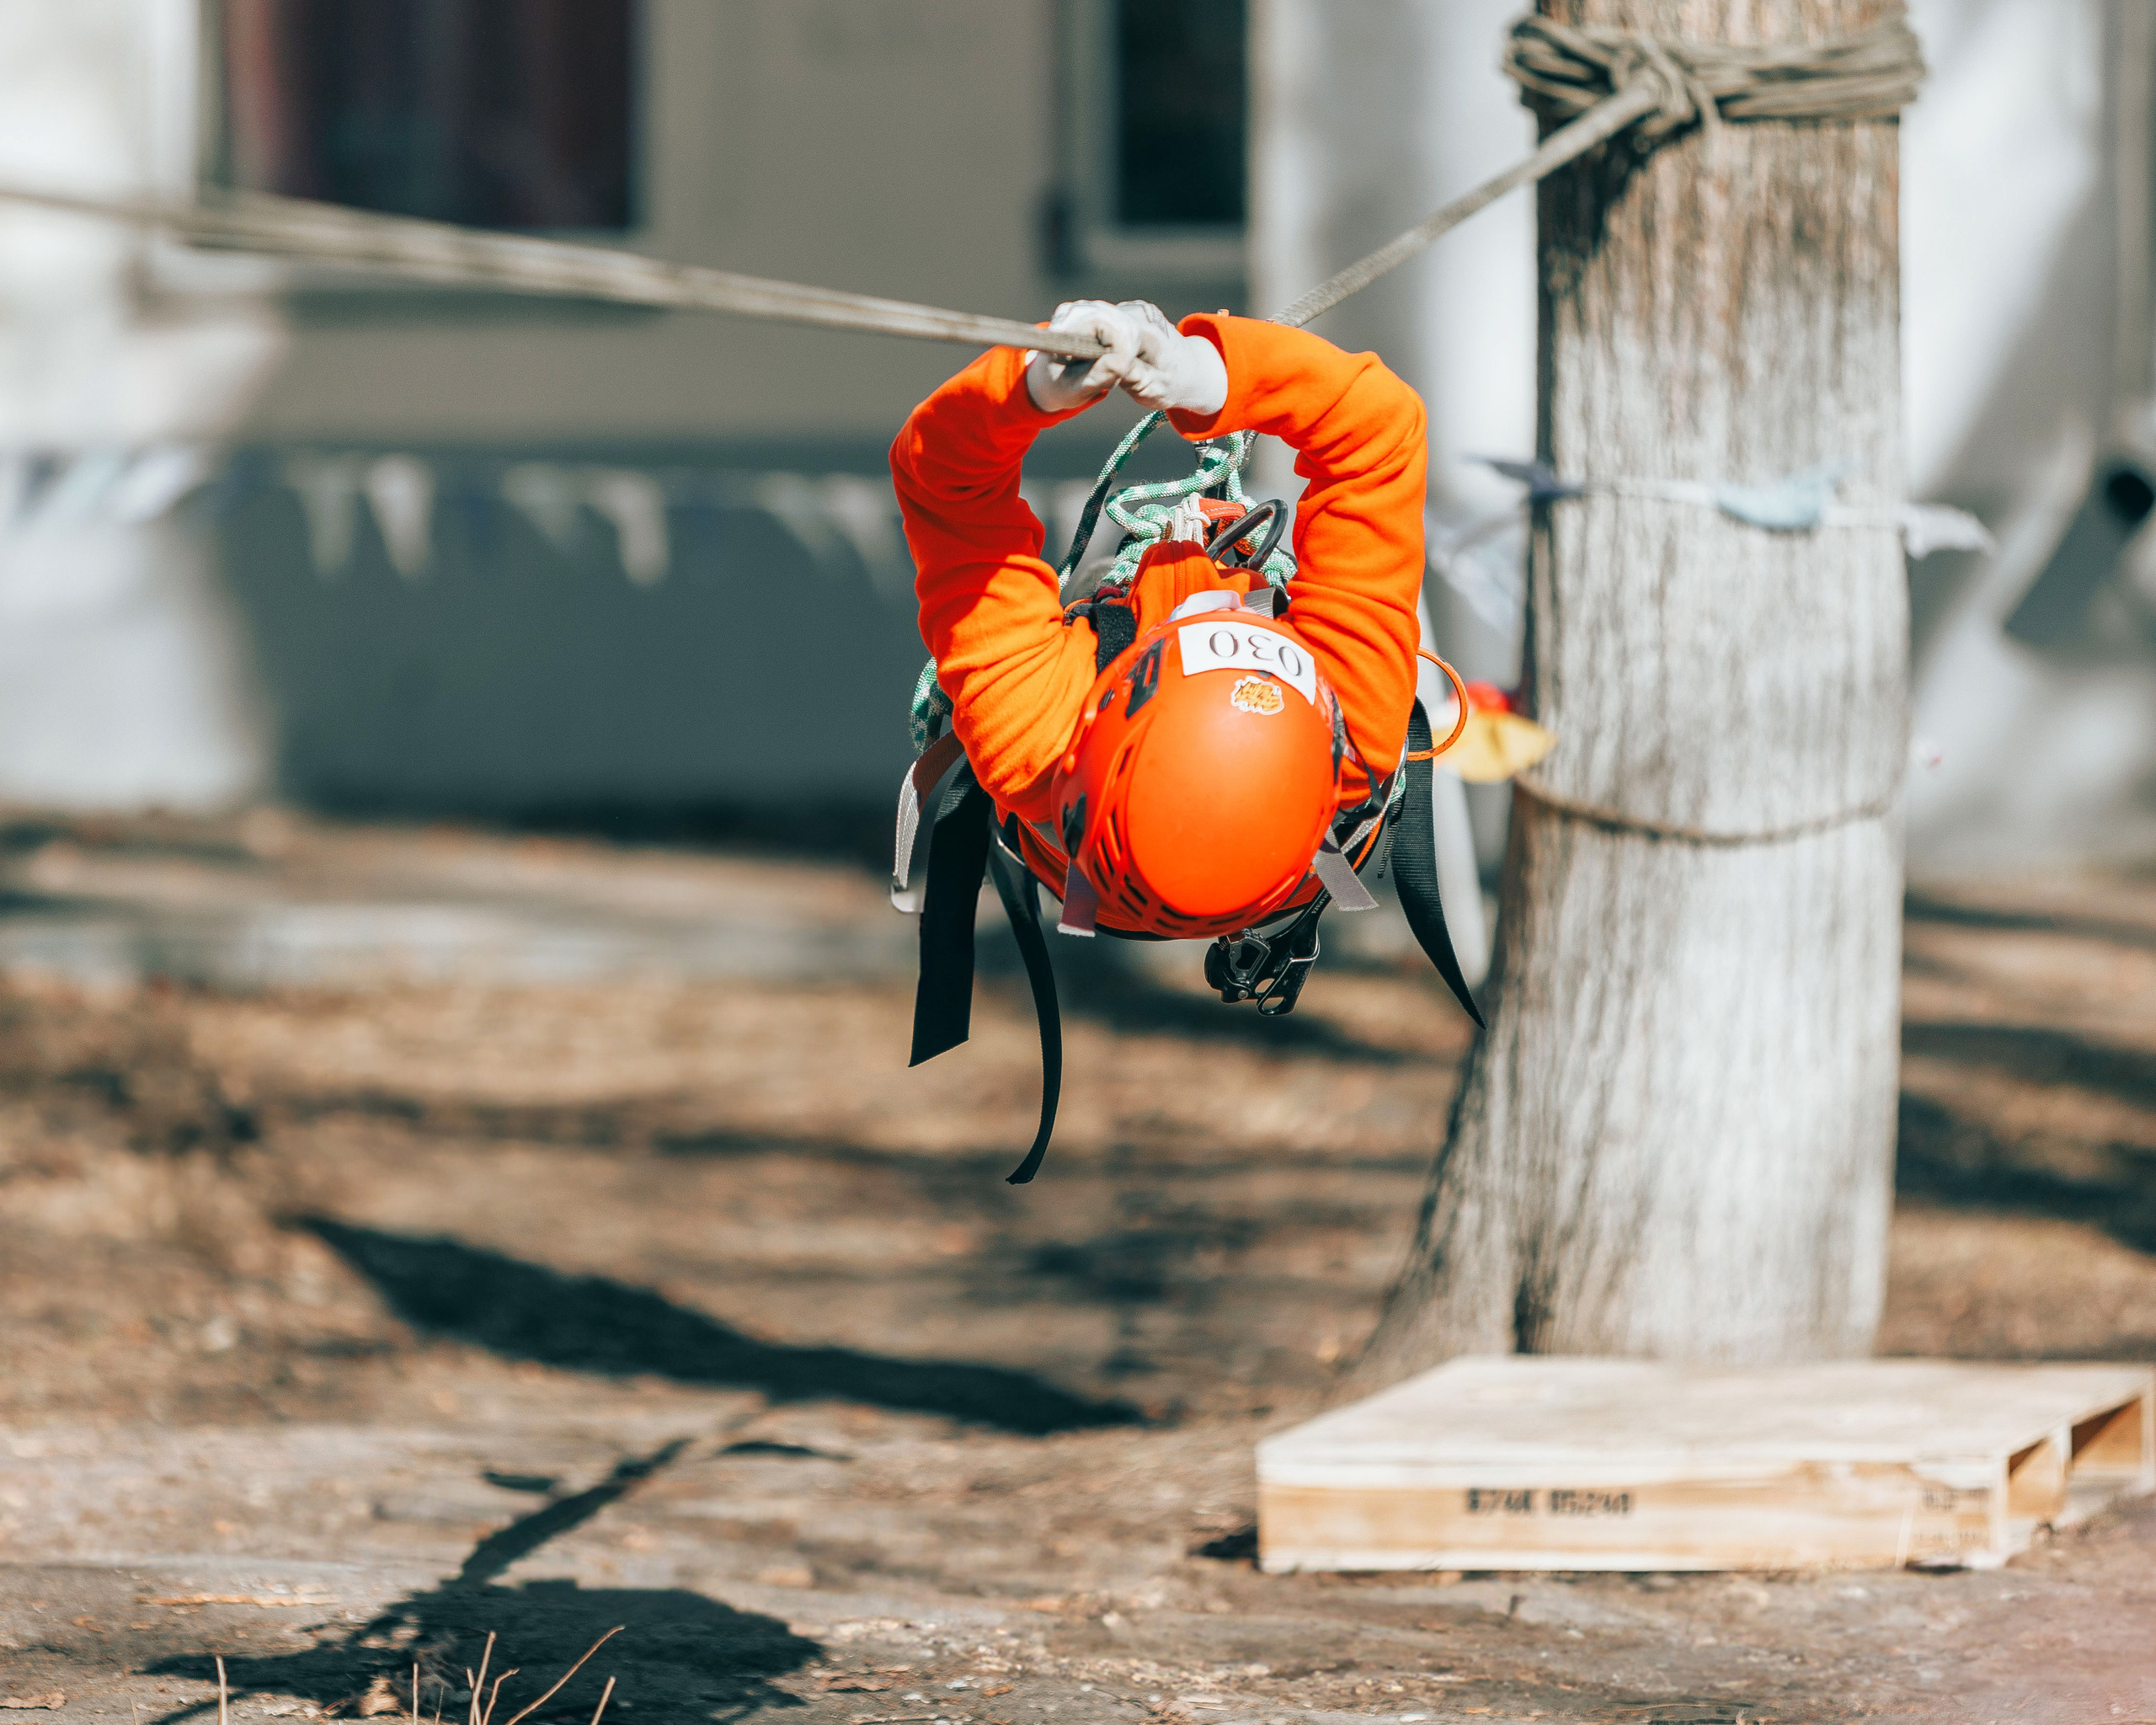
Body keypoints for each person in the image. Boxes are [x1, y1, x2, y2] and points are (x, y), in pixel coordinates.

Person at [889, 300, 1477, 1183]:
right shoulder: (1352, 729)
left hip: (1113, 829)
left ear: (1106, 715)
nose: (1199, 559)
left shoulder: (1043, 741)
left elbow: (942, 476)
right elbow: (1378, 429)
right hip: (1240, 842)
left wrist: (1033, 390)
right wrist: (1207, 378)